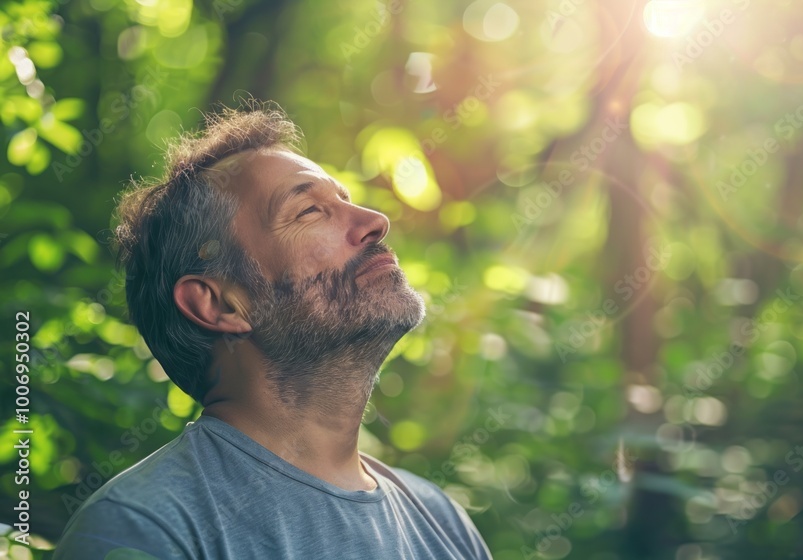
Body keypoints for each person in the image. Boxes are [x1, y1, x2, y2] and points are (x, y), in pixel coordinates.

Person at [53, 103, 493, 559]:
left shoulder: (443, 523)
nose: (374, 222)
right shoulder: (144, 529)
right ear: (220, 303)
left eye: (343, 199)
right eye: (308, 211)